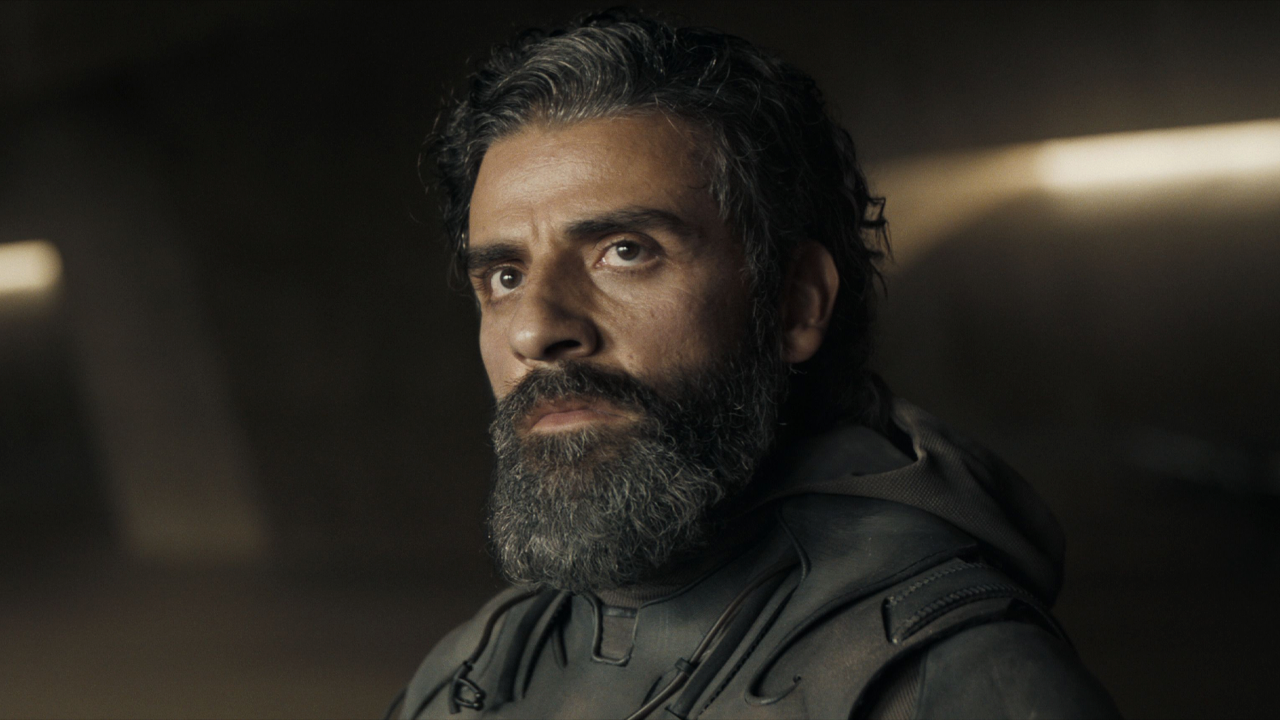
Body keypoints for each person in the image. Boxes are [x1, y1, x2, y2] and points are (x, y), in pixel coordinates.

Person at [393, 9, 1120, 719]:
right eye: (506, 276)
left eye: (626, 251)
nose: (534, 329)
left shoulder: (951, 681)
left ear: (794, 303)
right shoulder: (472, 674)